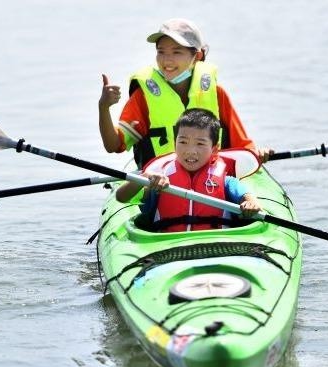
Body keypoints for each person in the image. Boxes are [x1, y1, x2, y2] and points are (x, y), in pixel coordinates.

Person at [98, 17, 274, 168]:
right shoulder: (144, 96)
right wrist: (104, 107)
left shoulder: (216, 93)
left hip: (214, 183)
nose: (167, 60)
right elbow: (114, 145)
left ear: (196, 56)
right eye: (161, 52)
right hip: (161, 185)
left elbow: (243, 147)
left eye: (177, 52)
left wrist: (257, 154)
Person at [116, 108, 262, 233]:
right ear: (175, 143)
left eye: (200, 144)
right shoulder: (160, 180)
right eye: (183, 142)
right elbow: (121, 197)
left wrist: (250, 203)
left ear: (214, 149)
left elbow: (248, 198)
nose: (190, 151)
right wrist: (145, 177)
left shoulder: (226, 181)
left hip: (217, 244)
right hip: (167, 247)